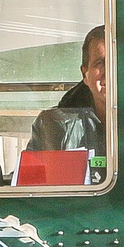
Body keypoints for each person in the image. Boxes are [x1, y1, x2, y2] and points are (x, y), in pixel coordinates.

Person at [28, 25, 107, 154]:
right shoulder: (55, 126)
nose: (111, 72)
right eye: (100, 63)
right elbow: (34, 172)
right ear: (84, 74)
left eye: (119, 63)